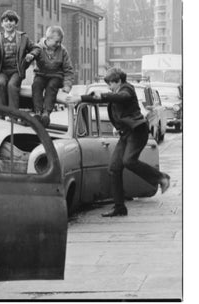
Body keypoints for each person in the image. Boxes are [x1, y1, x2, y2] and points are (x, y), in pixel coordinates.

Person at [68, 67, 171, 217]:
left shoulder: (127, 89)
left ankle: (161, 177)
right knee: (114, 168)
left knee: (129, 161)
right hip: (126, 134)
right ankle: (119, 207)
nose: (109, 87)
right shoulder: (118, 91)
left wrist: (85, 98)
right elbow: (115, 105)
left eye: (111, 84)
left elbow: (120, 97)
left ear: (119, 81)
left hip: (137, 132)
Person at [0, 10, 40, 110]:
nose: (8, 23)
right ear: (2, 24)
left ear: (16, 23)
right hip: (3, 71)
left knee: (12, 86)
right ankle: (0, 113)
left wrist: (31, 54)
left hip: (17, 71)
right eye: (6, 21)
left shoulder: (23, 38)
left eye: (11, 20)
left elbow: (37, 48)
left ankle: (13, 115)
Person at [31, 26, 74, 127]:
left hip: (56, 76)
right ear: (48, 39)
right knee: (36, 84)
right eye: (56, 41)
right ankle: (38, 112)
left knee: (52, 86)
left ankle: (46, 113)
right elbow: (30, 56)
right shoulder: (38, 48)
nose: (58, 44)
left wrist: (67, 86)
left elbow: (68, 70)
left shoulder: (62, 51)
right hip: (41, 74)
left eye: (60, 42)